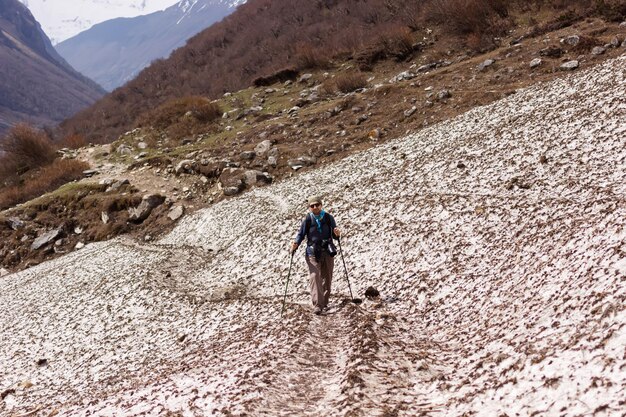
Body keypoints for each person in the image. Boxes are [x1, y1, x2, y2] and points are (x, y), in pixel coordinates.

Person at [291, 196, 341, 315]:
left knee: (327, 277)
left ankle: (324, 302)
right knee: (315, 276)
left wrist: (337, 235)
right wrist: (295, 244)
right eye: (312, 206)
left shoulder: (329, 218)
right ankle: (318, 305)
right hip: (312, 252)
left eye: (317, 205)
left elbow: (335, 235)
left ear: (321, 205)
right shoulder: (307, 220)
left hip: (327, 251)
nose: (315, 207)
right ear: (309, 207)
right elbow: (301, 234)